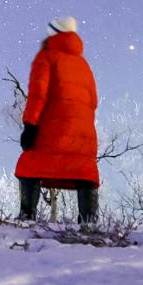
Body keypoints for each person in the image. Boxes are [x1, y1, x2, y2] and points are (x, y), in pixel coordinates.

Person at [15, 15, 101, 230]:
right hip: (83, 130)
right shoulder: (83, 64)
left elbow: (38, 95)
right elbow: (93, 101)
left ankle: (27, 216)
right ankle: (89, 221)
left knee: (30, 165)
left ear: (52, 34)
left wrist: (30, 125)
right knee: (83, 171)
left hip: (53, 126)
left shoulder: (46, 58)